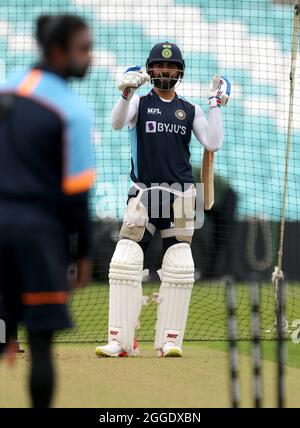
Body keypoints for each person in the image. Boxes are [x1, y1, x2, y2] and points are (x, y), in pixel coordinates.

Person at [95, 42, 230, 358]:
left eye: (170, 67)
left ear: (179, 72)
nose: (164, 71)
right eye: (158, 66)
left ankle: (170, 340)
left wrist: (215, 105)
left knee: (181, 266)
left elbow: (214, 141)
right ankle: (121, 341)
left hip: (183, 196)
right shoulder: (139, 104)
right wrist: (125, 94)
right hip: (144, 193)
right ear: (150, 70)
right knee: (125, 262)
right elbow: (116, 123)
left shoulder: (190, 109)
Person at [0, 14, 94, 408]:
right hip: (39, 239)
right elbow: (77, 196)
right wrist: (83, 254)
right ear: (57, 51)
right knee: (39, 345)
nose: (90, 57)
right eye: (84, 49)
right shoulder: (73, 110)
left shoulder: (5, 89)